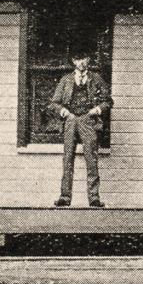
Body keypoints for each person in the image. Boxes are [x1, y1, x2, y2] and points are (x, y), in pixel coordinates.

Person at [49, 49, 112, 207]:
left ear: (88, 59)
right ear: (73, 62)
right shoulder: (66, 80)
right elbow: (54, 103)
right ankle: (65, 197)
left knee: (91, 159)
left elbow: (108, 101)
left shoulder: (96, 79)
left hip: (88, 121)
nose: (81, 62)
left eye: (84, 58)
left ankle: (94, 198)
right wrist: (64, 112)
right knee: (68, 159)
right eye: (78, 59)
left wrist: (96, 110)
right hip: (70, 120)